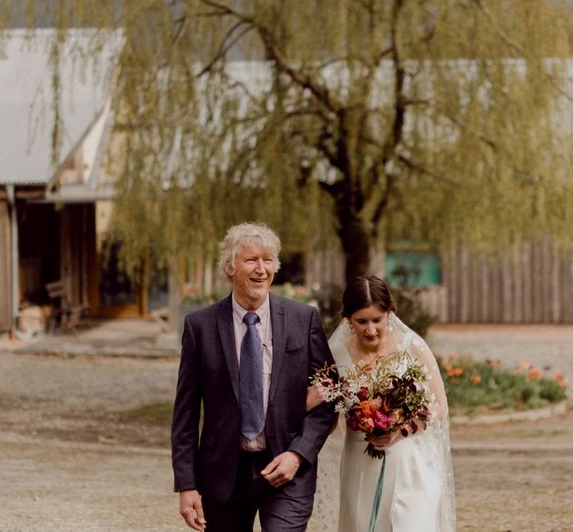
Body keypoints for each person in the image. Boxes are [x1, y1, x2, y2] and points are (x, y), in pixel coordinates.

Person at [171, 222, 336, 531]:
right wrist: (187, 485)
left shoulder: (304, 319)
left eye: (268, 260)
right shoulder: (200, 327)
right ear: (230, 267)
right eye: (251, 260)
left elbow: (328, 398)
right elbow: (185, 415)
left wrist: (298, 454)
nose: (262, 269)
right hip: (223, 476)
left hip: (288, 469)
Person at [308, 275, 456, 531]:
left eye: (377, 320)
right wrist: (309, 403)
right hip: (361, 465)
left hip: (411, 465)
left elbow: (439, 406)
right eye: (361, 321)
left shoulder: (412, 346)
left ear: (390, 313)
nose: (371, 329)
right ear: (348, 319)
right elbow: (329, 421)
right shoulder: (335, 356)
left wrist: (399, 429)